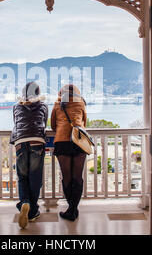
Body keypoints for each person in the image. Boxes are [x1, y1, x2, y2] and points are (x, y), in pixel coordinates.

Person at [10, 82, 48, 229]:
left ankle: (24, 202)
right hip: (36, 141)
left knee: (22, 177)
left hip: (20, 142)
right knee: (35, 178)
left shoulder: (16, 106)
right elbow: (43, 122)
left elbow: (16, 122)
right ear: (38, 93)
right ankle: (32, 211)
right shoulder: (43, 106)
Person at [50, 84, 87, 221]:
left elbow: (53, 125)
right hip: (79, 141)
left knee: (67, 177)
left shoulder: (57, 104)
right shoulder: (81, 102)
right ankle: (73, 209)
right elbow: (84, 122)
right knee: (78, 177)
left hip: (62, 141)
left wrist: (62, 127)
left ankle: (71, 209)